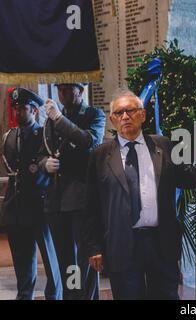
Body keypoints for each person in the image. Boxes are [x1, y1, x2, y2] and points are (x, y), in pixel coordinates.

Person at [82, 90, 196, 300]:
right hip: (122, 244)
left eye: (130, 111)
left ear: (142, 115)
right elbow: (91, 206)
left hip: (160, 242)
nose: (125, 117)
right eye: (119, 113)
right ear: (112, 119)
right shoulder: (100, 156)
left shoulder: (162, 145)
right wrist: (94, 247)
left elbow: (187, 176)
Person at [38, 83, 106, 300]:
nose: (63, 94)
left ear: (81, 91)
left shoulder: (94, 114)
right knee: (66, 261)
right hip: (56, 200)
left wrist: (59, 119)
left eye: (68, 89)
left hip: (81, 198)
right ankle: (71, 296)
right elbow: (41, 152)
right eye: (60, 90)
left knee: (85, 260)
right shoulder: (52, 119)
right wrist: (44, 163)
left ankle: (85, 297)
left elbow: (88, 141)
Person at [1, 88, 62, 300]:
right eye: (15, 109)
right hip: (16, 208)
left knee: (49, 257)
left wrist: (43, 166)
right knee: (22, 260)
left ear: (35, 110)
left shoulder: (45, 134)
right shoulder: (9, 136)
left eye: (23, 109)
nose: (18, 113)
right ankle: (24, 295)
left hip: (40, 206)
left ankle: (55, 296)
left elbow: (45, 162)